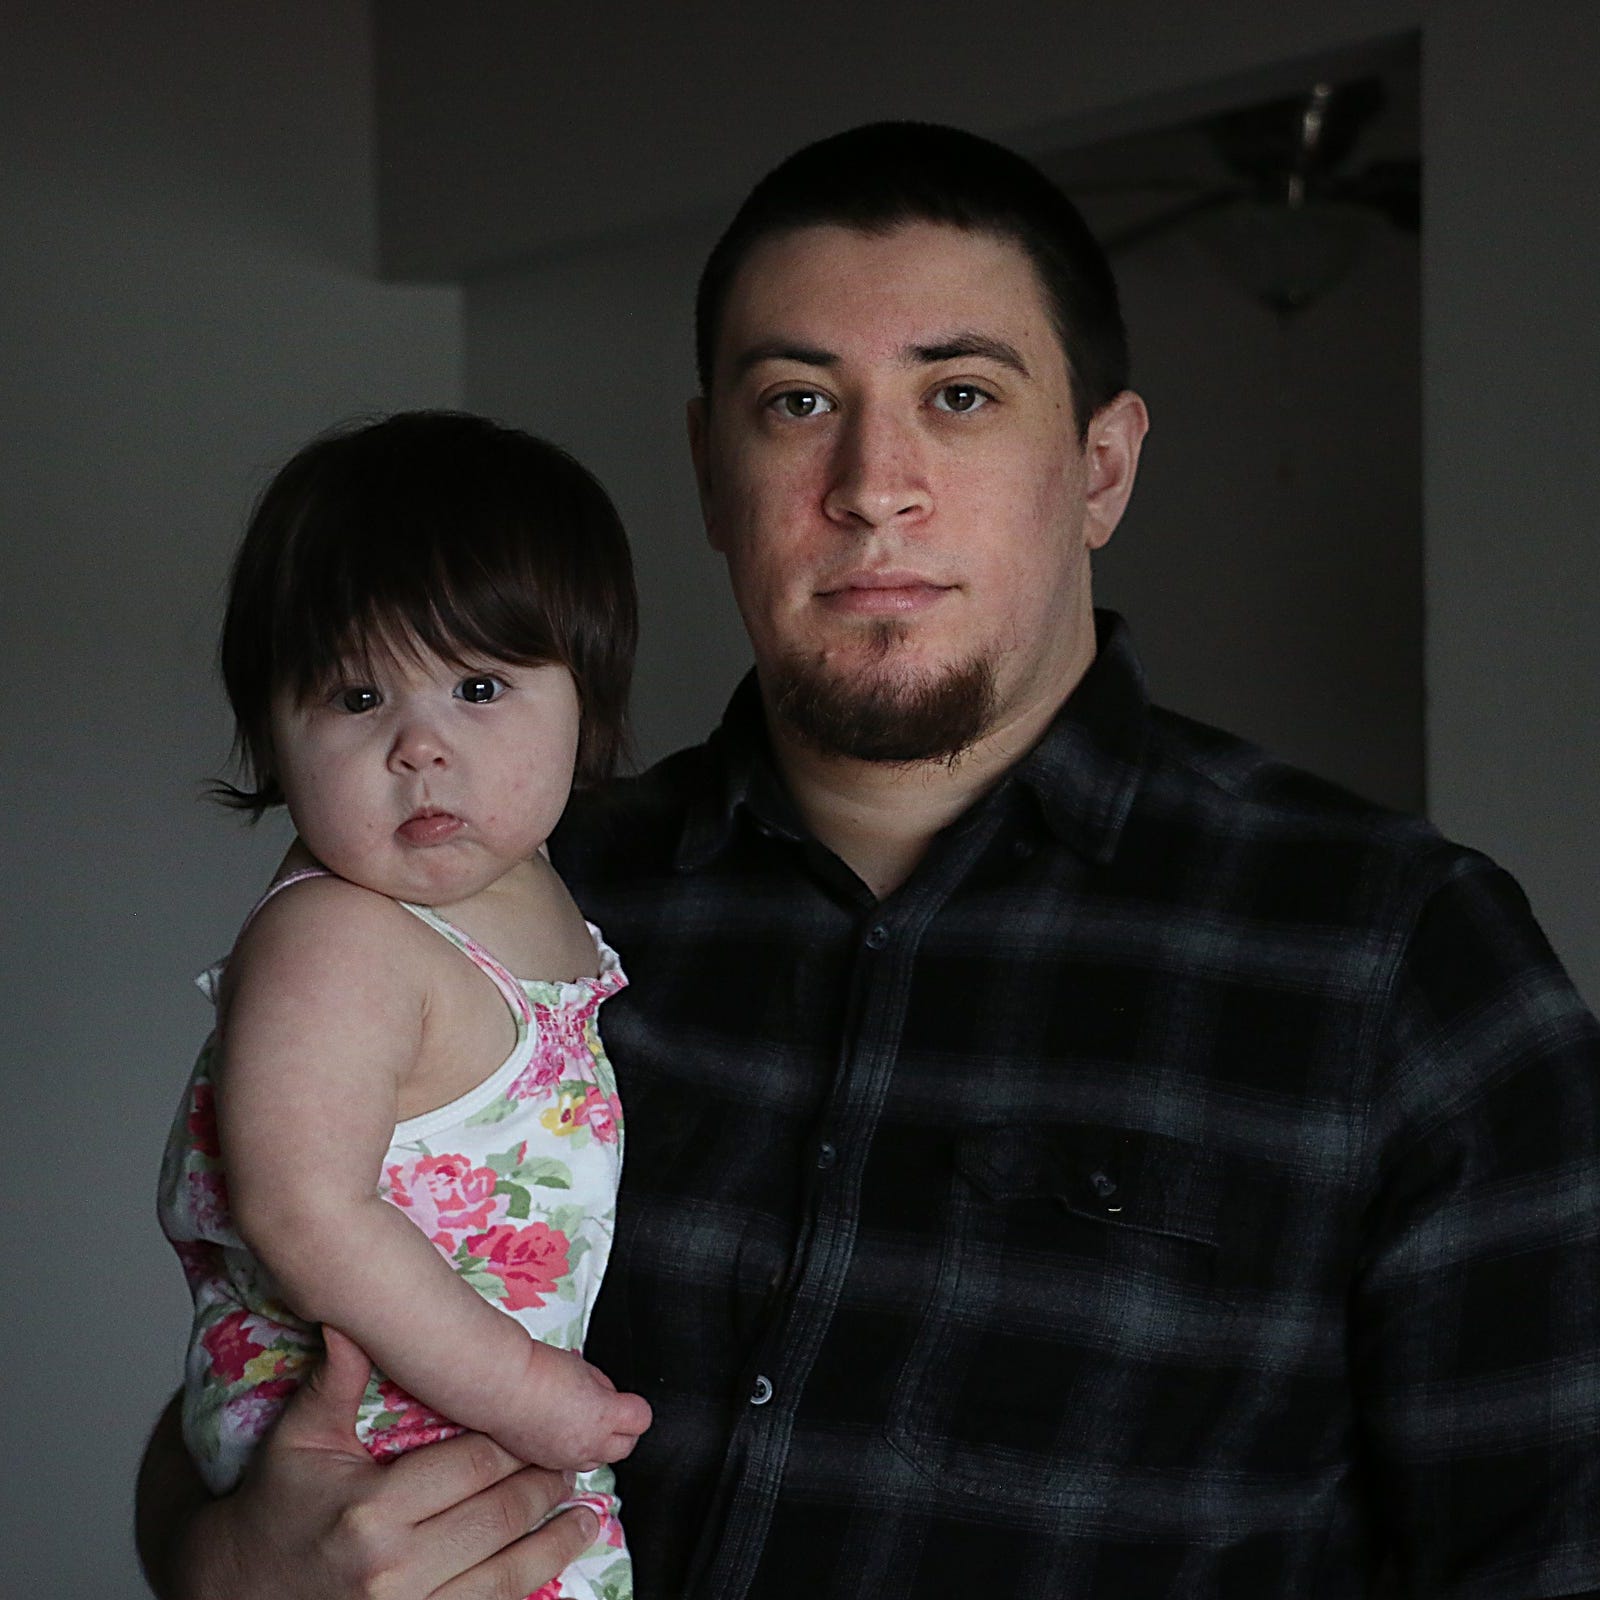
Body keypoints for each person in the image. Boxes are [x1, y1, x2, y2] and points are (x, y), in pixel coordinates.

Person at [138, 124, 1600, 1599]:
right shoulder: (504, 903)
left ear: (1099, 467)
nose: (871, 485)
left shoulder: (1402, 960)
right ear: (712, 474)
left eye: (958, 395)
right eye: (796, 403)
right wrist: (224, 1563)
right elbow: (265, 1369)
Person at [152, 411, 651, 1600]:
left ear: (585, 697)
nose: (420, 747)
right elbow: (304, 1207)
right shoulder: (338, 935)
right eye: (356, 695)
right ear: (272, 734)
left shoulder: (525, 882)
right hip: (381, 1445)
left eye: (480, 685)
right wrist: (523, 1388)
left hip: (467, 1441)